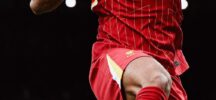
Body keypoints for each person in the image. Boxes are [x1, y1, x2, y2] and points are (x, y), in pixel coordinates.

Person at [29, 0, 189, 99]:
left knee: (158, 78)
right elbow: (37, 5)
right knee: (156, 78)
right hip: (117, 51)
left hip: (166, 67)